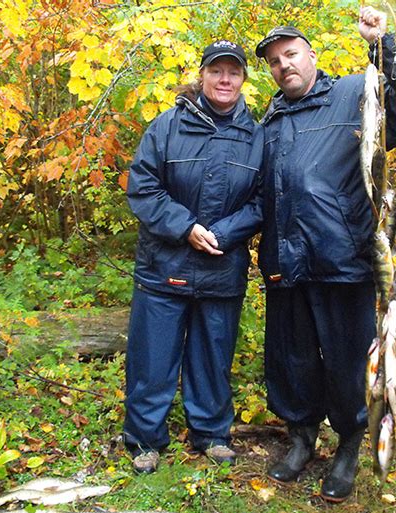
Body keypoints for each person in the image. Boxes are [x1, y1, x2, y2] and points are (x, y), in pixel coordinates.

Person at [255, 7, 396, 501]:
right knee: (292, 360)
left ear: (311, 55)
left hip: (342, 259)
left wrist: (385, 44)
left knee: (346, 362)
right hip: (285, 265)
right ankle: (301, 439)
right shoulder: (269, 120)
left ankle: (349, 446)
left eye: (290, 54)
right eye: (274, 61)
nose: (283, 66)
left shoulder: (353, 95)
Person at [124, 40, 264, 474]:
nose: (225, 80)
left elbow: (263, 201)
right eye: (217, 71)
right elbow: (143, 187)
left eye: (233, 72)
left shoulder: (258, 136)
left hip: (223, 267)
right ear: (201, 75)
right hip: (164, 267)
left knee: (213, 358)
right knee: (152, 360)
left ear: (243, 79)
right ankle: (145, 440)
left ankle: (211, 434)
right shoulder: (166, 127)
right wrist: (185, 227)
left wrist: (222, 232)